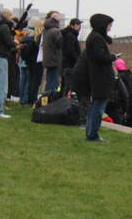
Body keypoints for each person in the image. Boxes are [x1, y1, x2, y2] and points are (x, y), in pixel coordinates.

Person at [73, 13, 116, 142]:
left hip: (98, 76)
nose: (110, 28)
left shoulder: (94, 37)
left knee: (95, 106)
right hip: (100, 77)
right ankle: (92, 134)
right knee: (98, 107)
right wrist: (112, 57)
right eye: (109, 25)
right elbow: (100, 57)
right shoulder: (97, 39)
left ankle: (91, 132)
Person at [41, 12, 63, 96]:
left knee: (49, 81)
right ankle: (52, 99)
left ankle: (45, 98)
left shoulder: (46, 30)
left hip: (47, 58)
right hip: (55, 59)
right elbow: (60, 44)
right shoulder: (56, 31)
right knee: (54, 82)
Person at [0, 9, 15, 118]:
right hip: (1, 57)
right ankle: (0, 110)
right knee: (2, 86)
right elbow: (9, 42)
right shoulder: (4, 27)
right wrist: (16, 44)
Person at [60, 17, 82, 93]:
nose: (79, 27)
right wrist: (78, 60)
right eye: (77, 24)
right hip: (70, 65)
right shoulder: (70, 36)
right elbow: (70, 51)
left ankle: (62, 100)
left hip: (66, 64)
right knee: (68, 85)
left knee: (65, 84)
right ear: (72, 25)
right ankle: (64, 101)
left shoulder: (69, 34)